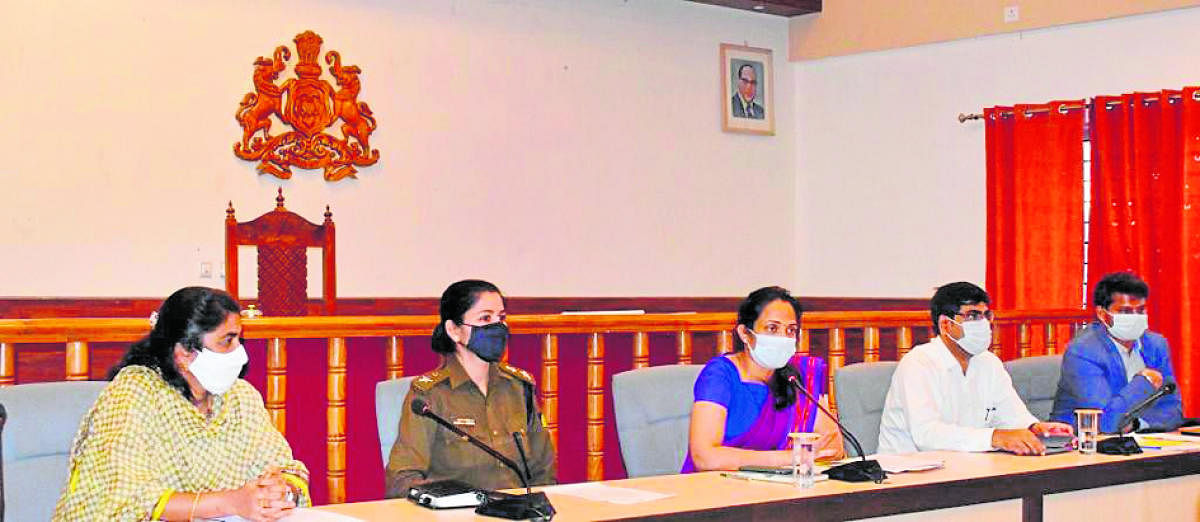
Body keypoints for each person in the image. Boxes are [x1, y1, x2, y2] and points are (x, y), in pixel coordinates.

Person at [53, 287, 308, 522]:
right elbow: (124, 498)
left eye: (239, 339)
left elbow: (281, 465)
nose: (240, 353)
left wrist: (282, 489)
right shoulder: (134, 394)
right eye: (227, 340)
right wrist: (229, 502)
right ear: (185, 352)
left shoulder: (241, 396)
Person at [385, 280, 556, 497]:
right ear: (454, 330)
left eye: (501, 318)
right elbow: (403, 479)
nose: (498, 326)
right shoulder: (429, 396)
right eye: (485, 318)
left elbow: (544, 471)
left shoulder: (519, 388)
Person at [877, 282, 1073, 455]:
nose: (984, 323)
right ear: (946, 324)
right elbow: (927, 435)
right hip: (905, 476)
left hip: (966, 468)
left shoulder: (988, 362)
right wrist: (994, 437)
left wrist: (1035, 428)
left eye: (986, 315)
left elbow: (1011, 414)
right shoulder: (918, 363)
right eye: (973, 315)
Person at [683, 286, 844, 472]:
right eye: (772, 328)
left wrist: (795, 458)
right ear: (745, 333)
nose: (783, 338)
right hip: (715, 490)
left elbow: (833, 448)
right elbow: (705, 458)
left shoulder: (798, 377)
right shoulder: (720, 375)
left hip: (777, 489)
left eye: (791, 330)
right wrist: (787, 458)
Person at [1050, 272, 1183, 433]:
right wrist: (1144, 381)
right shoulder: (1083, 351)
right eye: (1125, 312)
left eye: (1140, 311)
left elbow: (1174, 410)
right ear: (1102, 314)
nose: (1135, 318)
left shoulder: (1156, 345)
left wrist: (1136, 424)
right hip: (1083, 446)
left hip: (1143, 440)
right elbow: (1106, 422)